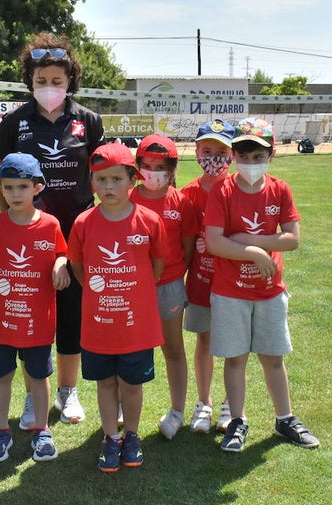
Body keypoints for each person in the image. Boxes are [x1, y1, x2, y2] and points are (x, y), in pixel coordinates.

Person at [0, 32, 104, 427]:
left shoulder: (88, 120)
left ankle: (67, 394)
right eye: (42, 81)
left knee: (71, 317)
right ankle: (31, 394)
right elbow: (0, 172)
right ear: (30, 82)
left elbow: (102, 174)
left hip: (76, 236)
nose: (50, 88)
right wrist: (13, 220)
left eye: (57, 80)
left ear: (70, 80)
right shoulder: (14, 122)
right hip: (30, 236)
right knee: (30, 319)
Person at [204, 117, 320, 453]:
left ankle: (285, 418)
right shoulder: (223, 190)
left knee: (272, 357)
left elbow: (292, 240)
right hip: (229, 292)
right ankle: (237, 421)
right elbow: (214, 242)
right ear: (234, 156)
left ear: (270, 155)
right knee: (236, 358)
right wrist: (254, 250)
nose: (251, 164)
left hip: (269, 291)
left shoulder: (280, 189)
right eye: (244, 156)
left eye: (259, 157)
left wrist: (245, 238)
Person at [68, 142, 164, 472]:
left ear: (133, 180)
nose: (108, 187)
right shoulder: (83, 223)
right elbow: (79, 267)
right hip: (99, 325)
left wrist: (131, 293)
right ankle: (111, 437)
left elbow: (157, 266)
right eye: (101, 179)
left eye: (116, 179)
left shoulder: (149, 220)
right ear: (91, 182)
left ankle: (132, 435)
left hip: (136, 326)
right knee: (105, 383)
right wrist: (103, 293)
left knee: (132, 385)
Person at [0, 153, 70, 464]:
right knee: (1, 375)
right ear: (0, 189)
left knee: (39, 374)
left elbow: (61, 253)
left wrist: (60, 264)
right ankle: (1, 429)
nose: (15, 194)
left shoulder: (50, 224)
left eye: (22, 186)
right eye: (8, 187)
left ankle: (42, 430)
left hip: (38, 319)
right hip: (3, 320)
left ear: (37, 187)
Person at [129, 133, 198, 440]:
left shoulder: (181, 202)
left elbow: (186, 250)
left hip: (169, 285)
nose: (154, 172)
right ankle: (122, 405)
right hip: (131, 287)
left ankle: (177, 410)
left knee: (172, 348)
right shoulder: (127, 198)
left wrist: (170, 276)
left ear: (172, 169)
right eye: (148, 165)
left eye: (161, 166)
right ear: (137, 167)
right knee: (129, 348)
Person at [179, 118, 236, 433]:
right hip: (201, 280)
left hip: (233, 282)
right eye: (207, 149)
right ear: (197, 151)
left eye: (220, 151)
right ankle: (204, 403)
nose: (213, 157)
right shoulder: (188, 194)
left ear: (230, 154)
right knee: (205, 341)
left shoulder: (239, 188)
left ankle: (230, 404)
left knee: (233, 344)